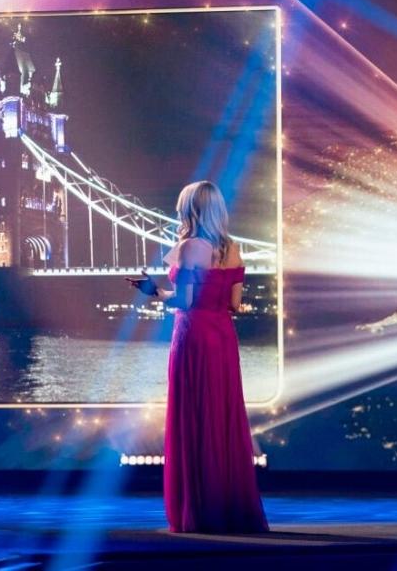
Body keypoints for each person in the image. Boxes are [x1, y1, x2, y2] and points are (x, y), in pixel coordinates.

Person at [130, 180, 268, 533]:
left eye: (181, 206)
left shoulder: (192, 246)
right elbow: (235, 305)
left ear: (191, 208)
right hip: (222, 337)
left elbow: (185, 302)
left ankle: (202, 511)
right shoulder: (233, 248)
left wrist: (153, 291)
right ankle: (229, 507)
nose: (177, 211)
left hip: (194, 336)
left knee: (195, 414)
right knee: (221, 416)